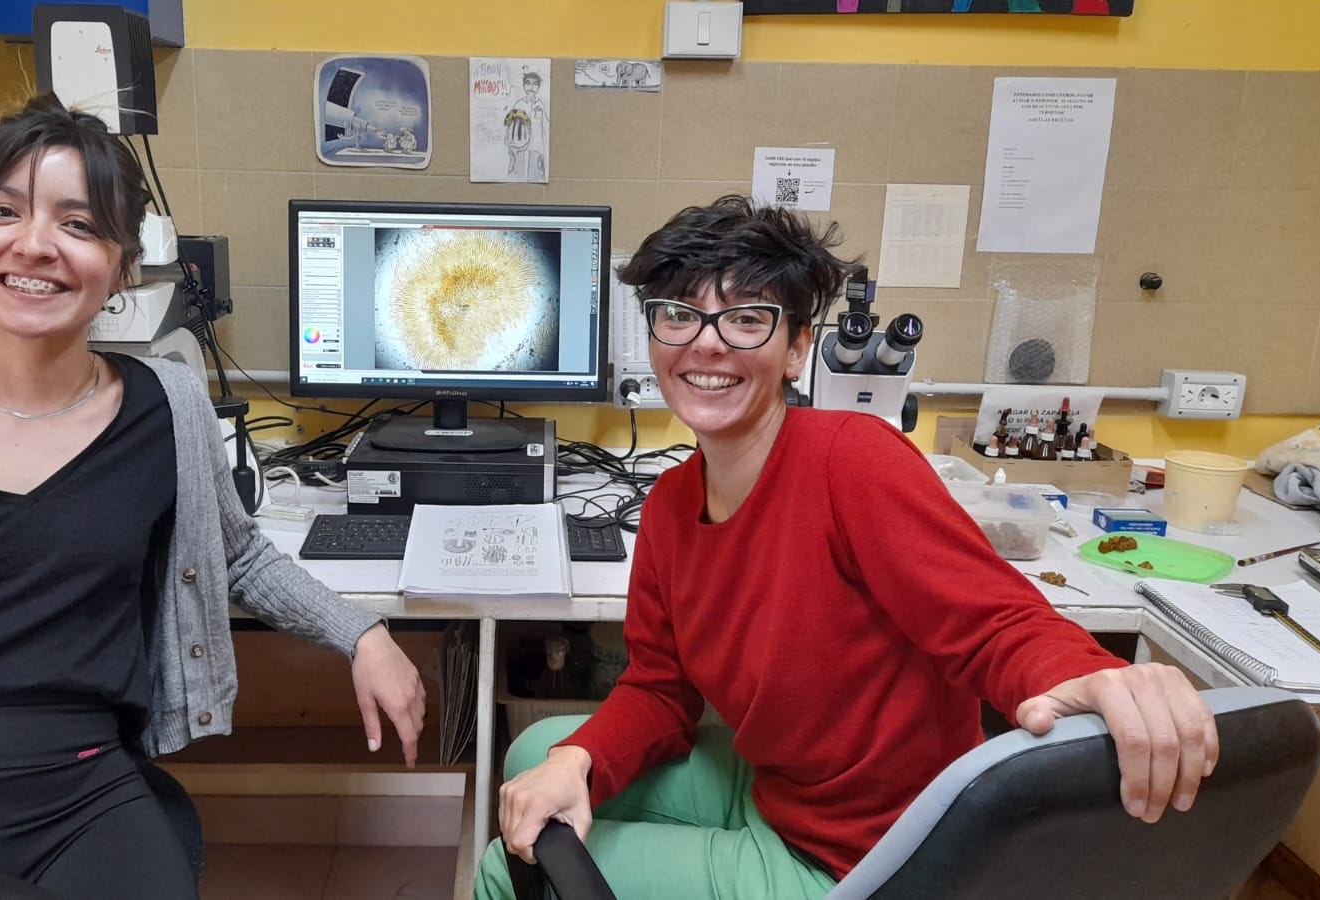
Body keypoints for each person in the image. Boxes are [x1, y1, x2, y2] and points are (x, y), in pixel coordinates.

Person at [0, 93, 426, 900]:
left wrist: (363, 634)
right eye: (2, 211)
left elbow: (236, 550)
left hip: (76, 791)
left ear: (124, 267)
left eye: (79, 224)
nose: (34, 244)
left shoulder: (168, 407)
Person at [474, 195, 1217, 899]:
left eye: (747, 319)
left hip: (867, 853)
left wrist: (1094, 677)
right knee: (538, 758)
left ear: (798, 348)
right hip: (783, 789)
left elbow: (995, 624)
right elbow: (661, 692)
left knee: (510, 868)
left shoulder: (852, 460)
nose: (707, 342)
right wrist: (579, 760)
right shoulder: (671, 504)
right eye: (679, 314)